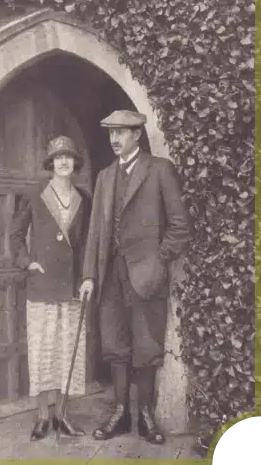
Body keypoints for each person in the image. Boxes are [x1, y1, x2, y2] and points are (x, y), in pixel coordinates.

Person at [79, 110, 191, 443]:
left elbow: (180, 226)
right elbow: (96, 232)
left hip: (146, 274)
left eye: (122, 133)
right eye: (111, 132)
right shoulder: (104, 177)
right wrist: (88, 275)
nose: (115, 139)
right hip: (110, 274)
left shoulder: (159, 170)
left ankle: (145, 415)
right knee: (115, 345)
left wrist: (159, 259)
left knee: (147, 346)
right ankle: (120, 414)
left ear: (137, 135)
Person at [12, 136, 91, 441]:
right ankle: (42, 417)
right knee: (43, 351)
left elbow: (86, 243)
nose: (63, 162)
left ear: (74, 163)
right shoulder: (35, 195)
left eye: (68, 157)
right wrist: (27, 262)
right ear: (50, 163)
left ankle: (63, 416)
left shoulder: (84, 198)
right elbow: (16, 235)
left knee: (67, 351)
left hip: (71, 286)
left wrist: (88, 277)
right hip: (42, 285)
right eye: (57, 158)